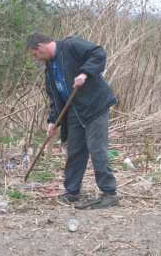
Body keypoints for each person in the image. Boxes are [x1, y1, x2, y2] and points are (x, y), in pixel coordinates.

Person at [26, 32, 120, 209]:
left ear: (41, 45)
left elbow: (98, 53)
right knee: (75, 149)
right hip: (74, 111)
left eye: (35, 54)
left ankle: (109, 193)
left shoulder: (70, 45)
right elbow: (55, 97)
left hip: (95, 106)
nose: (37, 58)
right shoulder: (50, 67)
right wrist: (53, 121)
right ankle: (72, 192)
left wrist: (85, 73)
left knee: (96, 147)